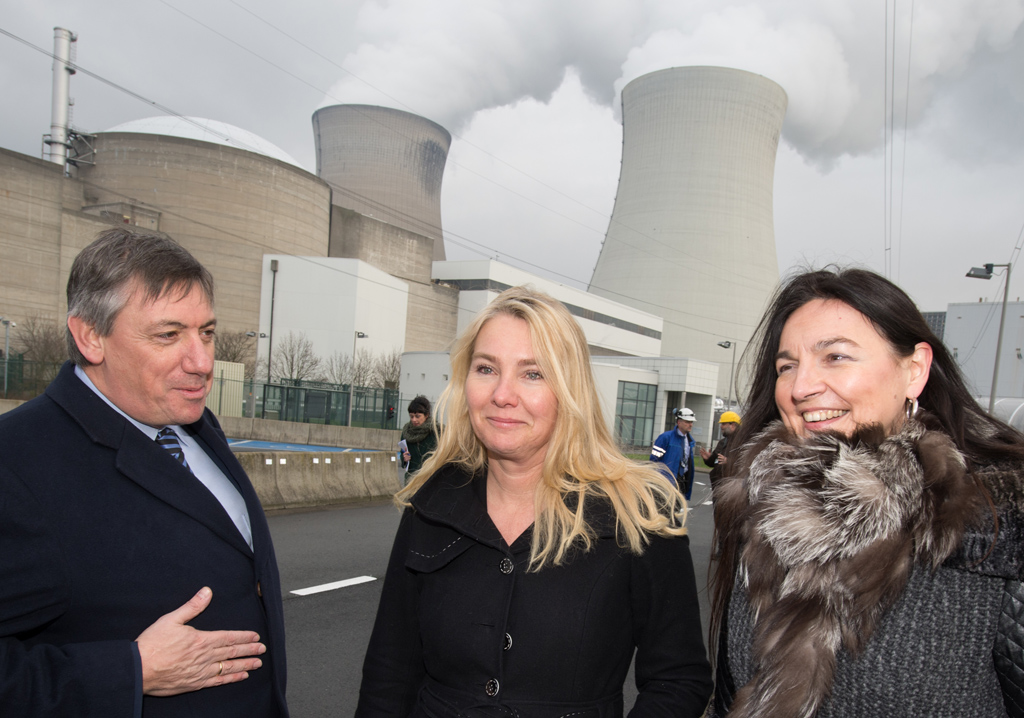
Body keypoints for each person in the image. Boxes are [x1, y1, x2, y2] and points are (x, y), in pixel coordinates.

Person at [356, 286, 712, 717]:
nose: (502, 394)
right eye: (486, 368)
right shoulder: (430, 506)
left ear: (569, 389)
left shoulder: (638, 518)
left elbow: (678, 680)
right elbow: (389, 673)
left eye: (533, 373)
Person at [709, 267, 1024, 718]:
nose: (801, 387)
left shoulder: (999, 520)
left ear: (914, 371)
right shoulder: (756, 507)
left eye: (835, 356)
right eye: (786, 366)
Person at [0, 228, 288, 717]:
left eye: (208, 333)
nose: (202, 362)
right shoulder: (16, 463)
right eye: (169, 335)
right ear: (91, 336)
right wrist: (129, 671)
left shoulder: (188, 422)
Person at [650, 407, 697, 498]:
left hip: (681, 480)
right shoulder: (665, 437)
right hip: (665, 481)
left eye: (691, 422)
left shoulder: (689, 441)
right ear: (679, 422)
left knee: (677, 508)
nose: (690, 424)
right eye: (687, 422)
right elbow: (653, 461)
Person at [399, 395, 438, 483]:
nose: (414, 420)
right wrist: (404, 458)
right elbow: (402, 453)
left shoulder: (436, 431)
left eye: (417, 416)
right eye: (411, 416)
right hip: (411, 479)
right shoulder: (406, 432)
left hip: (430, 479)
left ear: (426, 415)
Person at [699, 411, 741, 486]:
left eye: (723, 424)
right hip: (718, 487)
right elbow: (714, 462)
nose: (721, 427)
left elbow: (745, 464)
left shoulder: (743, 443)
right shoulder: (722, 442)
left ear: (733, 425)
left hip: (733, 489)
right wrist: (708, 459)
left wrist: (728, 462)